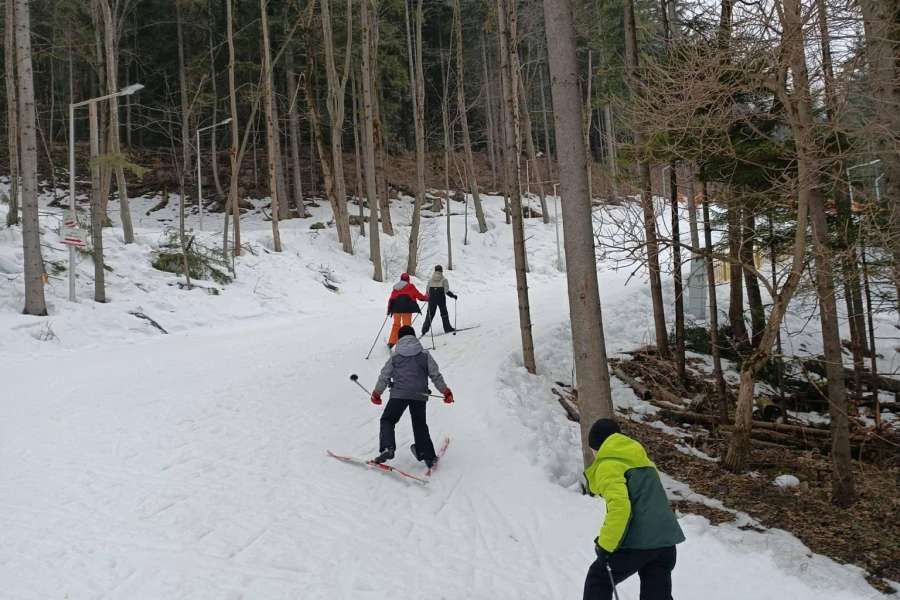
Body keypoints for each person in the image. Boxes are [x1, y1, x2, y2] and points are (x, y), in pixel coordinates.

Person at [583, 418, 685, 600]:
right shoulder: (642, 460)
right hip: (665, 543)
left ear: (597, 446)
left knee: (599, 578)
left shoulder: (608, 465)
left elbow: (620, 508)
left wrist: (605, 545)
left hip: (640, 544)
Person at [370, 325, 454, 468]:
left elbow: (384, 375)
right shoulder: (424, 355)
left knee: (388, 419)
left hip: (399, 395)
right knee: (419, 424)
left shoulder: (395, 356)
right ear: (414, 337)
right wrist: (446, 392)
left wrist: (377, 393)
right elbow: (435, 375)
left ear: (399, 338)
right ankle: (427, 456)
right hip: (419, 395)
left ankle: (388, 448)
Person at [386, 272, 428, 348]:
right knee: (406, 326)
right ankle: (407, 342)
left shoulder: (396, 287)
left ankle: (391, 342)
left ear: (401, 279)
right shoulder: (410, 286)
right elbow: (419, 295)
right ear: (408, 279)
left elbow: (391, 299)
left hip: (396, 309)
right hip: (407, 309)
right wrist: (426, 298)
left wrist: (389, 309)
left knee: (396, 325)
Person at [421, 265, 457, 336]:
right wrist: (453, 296)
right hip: (441, 298)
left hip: (432, 299)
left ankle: (424, 330)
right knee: (444, 313)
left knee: (430, 314)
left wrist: (428, 297)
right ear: (441, 271)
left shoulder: (430, 280)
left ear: (435, 270)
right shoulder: (444, 280)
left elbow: (427, 290)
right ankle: (447, 328)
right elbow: (446, 291)